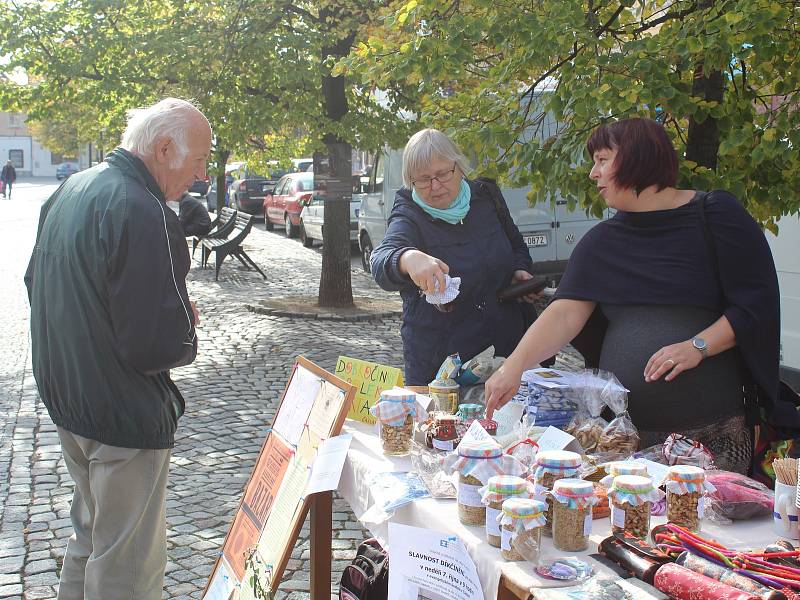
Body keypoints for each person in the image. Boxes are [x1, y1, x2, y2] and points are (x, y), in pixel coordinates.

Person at [485, 117, 780, 474]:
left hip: (712, 437)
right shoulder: (602, 242)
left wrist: (697, 346)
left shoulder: (715, 217)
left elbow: (755, 306)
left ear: (639, 157)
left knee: (703, 529)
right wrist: (513, 368)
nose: (593, 173)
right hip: (624, 440)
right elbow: (564, 313)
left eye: (603, 159)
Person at [25, 97, 212, 600]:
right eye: (199, 161)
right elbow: (157, 346)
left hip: (71, 398)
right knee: (127, 566)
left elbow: (38, 285)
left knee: (88, 539)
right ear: (165, 148)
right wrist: (183, 326)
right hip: (121, 413)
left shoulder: (74, 187)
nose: (200, 176)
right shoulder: (143, 209)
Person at [370, 128, 543, 386]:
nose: (435, 186)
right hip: (442, 364)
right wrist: (408, 257)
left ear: (459, 167)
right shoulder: (408, 211)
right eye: (423, 179)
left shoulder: (486, 197)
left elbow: (517, 247)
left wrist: (518, 271)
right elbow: (381, 259)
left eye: (442, 174)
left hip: (505, 349)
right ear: (411, 181)